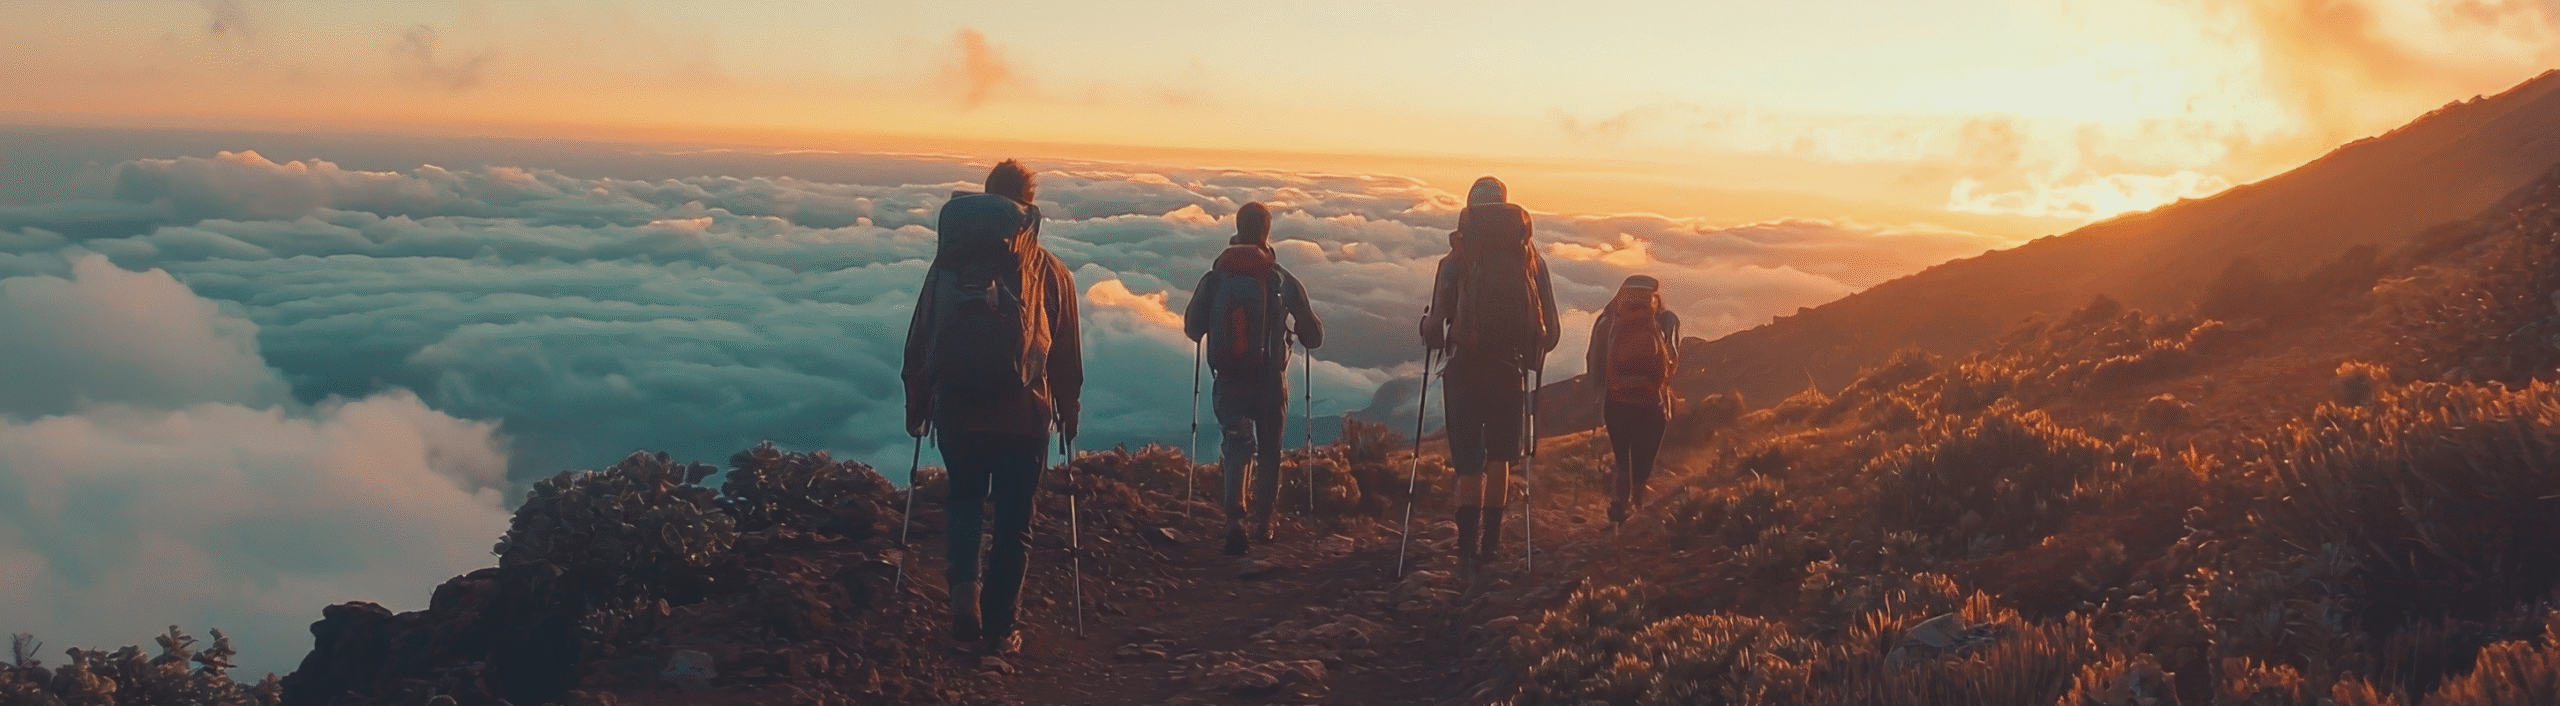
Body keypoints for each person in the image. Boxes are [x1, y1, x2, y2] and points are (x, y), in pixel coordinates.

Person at [901, 159, 1082, 656]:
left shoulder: (947, 266)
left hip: (957, 408)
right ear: (1028, 205)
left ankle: (964, 591)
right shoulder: (1051, 270)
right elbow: (1065, 351)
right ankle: (1002, 628)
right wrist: (1069, 407)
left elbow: (921, 336)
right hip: (1024, 415)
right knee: (1013, 521)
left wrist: (916, 401)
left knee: (963, 500)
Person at [1420, 176, 1559, 580]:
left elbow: (1434, 329)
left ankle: (1464, 551)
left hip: (1464, 370)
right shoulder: (1531, 261)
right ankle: (1491, 546)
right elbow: (1551, 333)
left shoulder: (1455, 261)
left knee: (1468, 463)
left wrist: (1430, 329)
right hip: (1508, 370)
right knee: (1500, 457)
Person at [1184, 202, 1324, 556]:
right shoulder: (1280, 280)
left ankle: (1234, 520)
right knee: (1270, 448)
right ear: (1266, 232)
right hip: (1270, 378)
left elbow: (1191, 328)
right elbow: (1313, 336)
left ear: (1237, 228)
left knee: (1236, 442)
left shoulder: (1215, 279)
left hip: (1229, 376)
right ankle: (1265, 522)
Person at [1585, 274, 1680, 526]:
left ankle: (1619, 501)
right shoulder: (1666, 320)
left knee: (1621, 454)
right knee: (1643, 454)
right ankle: (1637, 505)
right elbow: (1672, 360)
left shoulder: (1607, 320)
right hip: (1652, 401)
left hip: (1616, 401)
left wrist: (1598, 391)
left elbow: (1594, 360)